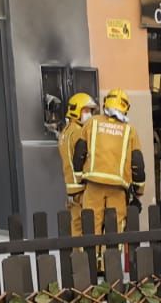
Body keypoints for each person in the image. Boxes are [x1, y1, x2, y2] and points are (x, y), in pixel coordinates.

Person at [74, 88, 145, 232]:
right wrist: (138, 189)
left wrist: (79, 177)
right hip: (118, 187)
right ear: (126, 108)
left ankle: (93, 254)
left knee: (91, 227)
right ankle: (111, 254)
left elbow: (79, 152)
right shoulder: (130, 130)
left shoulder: (92, 123)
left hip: (93, 185)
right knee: (115, 228)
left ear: (106, 102)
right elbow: (137, 162)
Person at [59, 92, 96, 235]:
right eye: (86, 110)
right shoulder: (79, 132)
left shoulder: (65, 132)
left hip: (71, 190)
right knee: (90, 228)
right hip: (82, 189)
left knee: (76, 229)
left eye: (91, 111)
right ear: (76, 110)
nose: (89, 115)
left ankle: (77, 256)